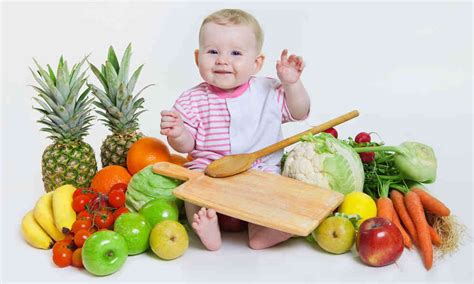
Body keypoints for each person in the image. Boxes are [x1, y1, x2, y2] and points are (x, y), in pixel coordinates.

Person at [160, 8, 310, 251]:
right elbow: (187, 145)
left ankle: (263, 232)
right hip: (211, 170)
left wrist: (292, 84)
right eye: (212, 52)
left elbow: (299, 111)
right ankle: (209, 229)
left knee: (273, 198)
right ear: (198, 57)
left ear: (257, 62)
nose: (222, 60)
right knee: (192, 190)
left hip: (260, 172)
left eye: (236, 53)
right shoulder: (192, 100)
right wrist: (177, 133)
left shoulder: (268, 91)